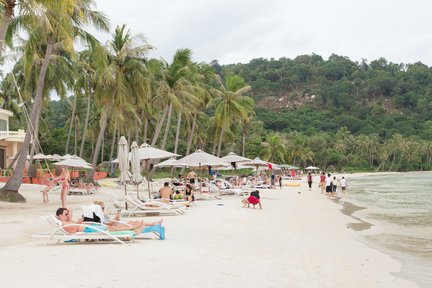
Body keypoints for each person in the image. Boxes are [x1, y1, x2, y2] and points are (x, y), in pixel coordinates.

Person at [55, 207, 145, 234]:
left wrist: (77, 221)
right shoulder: (63, 223)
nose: (67, 215)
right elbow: (72, 231)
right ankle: (133, 227)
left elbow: (71, 209)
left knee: (110, 227)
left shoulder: (66, 221)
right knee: (110, 228)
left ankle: (133, 228)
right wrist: (78, 223)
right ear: (59, 216)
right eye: (65, 214)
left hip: (88, 227)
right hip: (87, 229)